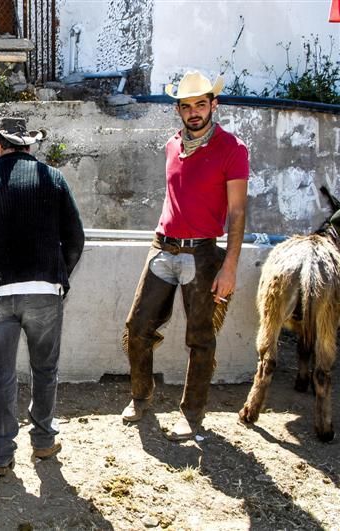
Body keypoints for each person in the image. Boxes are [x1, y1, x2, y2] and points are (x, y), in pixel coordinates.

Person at [0, 116, 85, 476]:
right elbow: (75, 239)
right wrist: (59, 278)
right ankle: (42, 441)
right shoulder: (54, 180)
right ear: (29, 145)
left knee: (1, 372)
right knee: (44, 369)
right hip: (44, 294)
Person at [122, 71, 249, 441]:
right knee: (137, 327)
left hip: (203, 253)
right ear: (178, 109)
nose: (194, 112)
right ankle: (141, 396)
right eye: (186, 105)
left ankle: (192, 416)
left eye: (200, 104)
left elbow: (238, 212)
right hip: (162, 247)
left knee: (200, 337)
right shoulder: (172, 145)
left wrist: (230, 267)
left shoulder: (232, 148)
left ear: (213, 104)